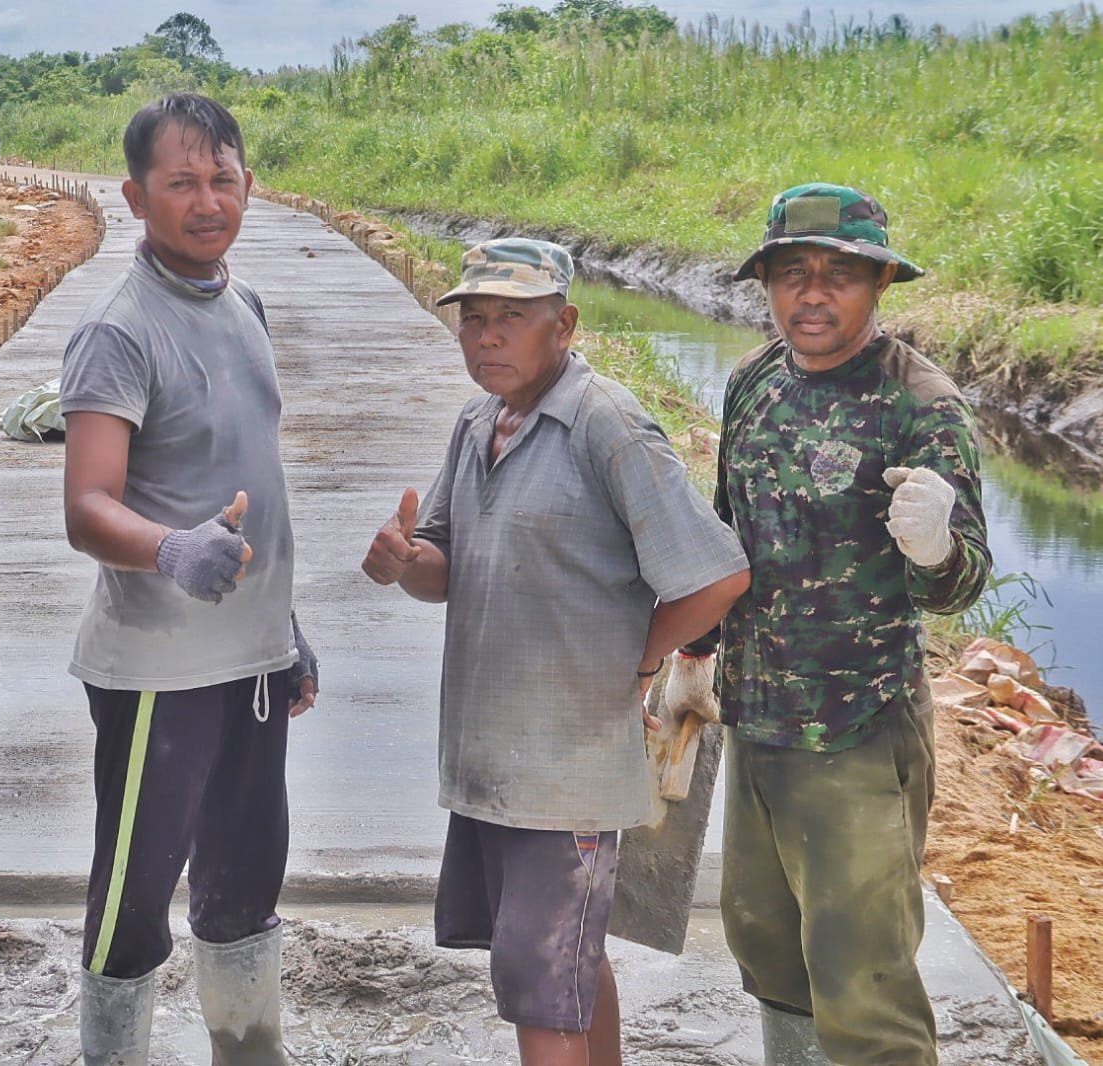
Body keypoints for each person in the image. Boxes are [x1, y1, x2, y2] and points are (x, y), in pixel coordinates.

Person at [361, 237, 750, 1066]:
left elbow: (715, 578)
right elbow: (444, 567)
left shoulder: (606, 426)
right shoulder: (476, 422)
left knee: (541, 994)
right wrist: (404, 563)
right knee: (564, 969)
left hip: (563, 772)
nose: (487, 337)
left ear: (564, 325)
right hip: (490, 764)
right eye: (474, 319)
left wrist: (638, 668)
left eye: (511, 318)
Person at [666, 183, 990, 1065]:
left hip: (854, 730)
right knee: (767, 949)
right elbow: (726, 530)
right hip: (758, 718)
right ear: (765, 284)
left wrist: (933, 550)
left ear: (878, 285)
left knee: (864, 988)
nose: (812, 295)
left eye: (838, 275)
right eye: (791, 273)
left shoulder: (918, 405)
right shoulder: (753, 381)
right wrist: (693, 651)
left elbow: (960, 584)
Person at [58, 92, 318, 1066]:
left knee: (246, 884)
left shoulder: (245, 304)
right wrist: (171, 547)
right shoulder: (120, 329)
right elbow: (88, 504)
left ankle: (247, 1049)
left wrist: (285, 624)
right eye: (181, 182)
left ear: (249, 185)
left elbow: (255, 475)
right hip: (156, 669)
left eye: (223, 178)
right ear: (135, 197)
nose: (207, 200)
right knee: (133, 898)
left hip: (249, 658)